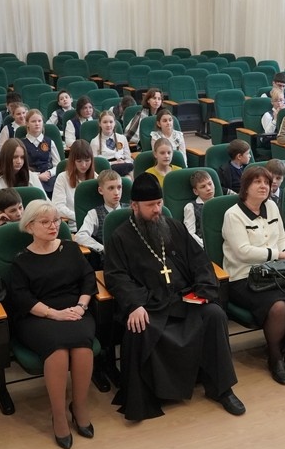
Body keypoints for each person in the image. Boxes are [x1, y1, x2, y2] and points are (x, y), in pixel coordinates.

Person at [104, 173, 244, 421]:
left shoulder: (174, 227)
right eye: (150, 205)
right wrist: (134, 305)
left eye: (159, 203)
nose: (157, 210)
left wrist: (203, 290)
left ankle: (221, 389)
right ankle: (149, 396)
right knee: (139, 328)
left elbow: (200, 261)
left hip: (183, 298)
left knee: (214, 314)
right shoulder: (120, 237)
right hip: (150, 304)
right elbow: (116, 277)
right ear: (134, 206)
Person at [4, 200, 97, 449]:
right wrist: (54, 314)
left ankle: (79, 407)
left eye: (55, 221)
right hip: (38, 316)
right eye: (45, 222)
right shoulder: (22, 260)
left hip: (75, 310)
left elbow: (88, 279)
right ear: (30, 227)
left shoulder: (70, 248)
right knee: (57, 351)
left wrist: (81, 307)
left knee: (82, 347)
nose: (53, 226)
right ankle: (58, 415)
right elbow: (22, 298)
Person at [222, 166, 285, 385]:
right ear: (245, 187)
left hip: (275, 273)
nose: (264, 186)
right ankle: (275, 358)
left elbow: (282, 236)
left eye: (266, 182)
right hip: (244, 276)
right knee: (277, 307)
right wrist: (277, 254)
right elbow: (243, 252)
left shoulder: (271, 206)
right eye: (257, 182)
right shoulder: (233, 214)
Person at [74, 169, 127, 269]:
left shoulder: (130, 210)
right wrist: (102, 248)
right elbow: (80, 236)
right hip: (110, 263)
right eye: (111, 188)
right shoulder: (94, 213)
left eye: (119, 187)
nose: (116, 192)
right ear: (101, 190)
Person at [0, 138, 45, 211]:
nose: (19, 161)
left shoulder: (32, 176)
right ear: (5, 157)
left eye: (22, 157)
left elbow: (46, 204)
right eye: (15, 157)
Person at [53, 140, 96, 232]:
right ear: (72, 161)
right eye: (79, 161)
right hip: (73, 228)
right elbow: (58, 207)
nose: (83, 165)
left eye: (87, 160)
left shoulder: (97, 178)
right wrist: (79, 217)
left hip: (94, 228)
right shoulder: (62, 178)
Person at [20, 109, 60, 195]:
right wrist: (37, 176)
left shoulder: (49, 142)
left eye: (39, 121)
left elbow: (58, 165)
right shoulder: (21, 144)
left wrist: (49, 173)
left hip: (50, 180)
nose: (37, 124)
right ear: (27, 123)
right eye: (33, 121)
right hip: (30, 180)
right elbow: (20, 167)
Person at [91, 110, 133, 176]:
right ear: (100, 124)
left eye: (111, 122)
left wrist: (124, 162)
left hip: (123, 166)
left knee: (129, 176)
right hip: (106, 170)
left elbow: (128, 158)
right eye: (105, 122)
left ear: (114, 123)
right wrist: (113, 163)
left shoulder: (122, 138)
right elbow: (95, 164)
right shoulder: (94, 142)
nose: (108, 125)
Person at [183, 169, 215, 248]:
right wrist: (205, 245)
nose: (208, 188)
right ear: (196, 191)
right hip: (203, 246)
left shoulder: (221, 203)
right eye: (203, 186)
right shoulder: (191, 207)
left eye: (210, 184)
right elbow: (189, 233)